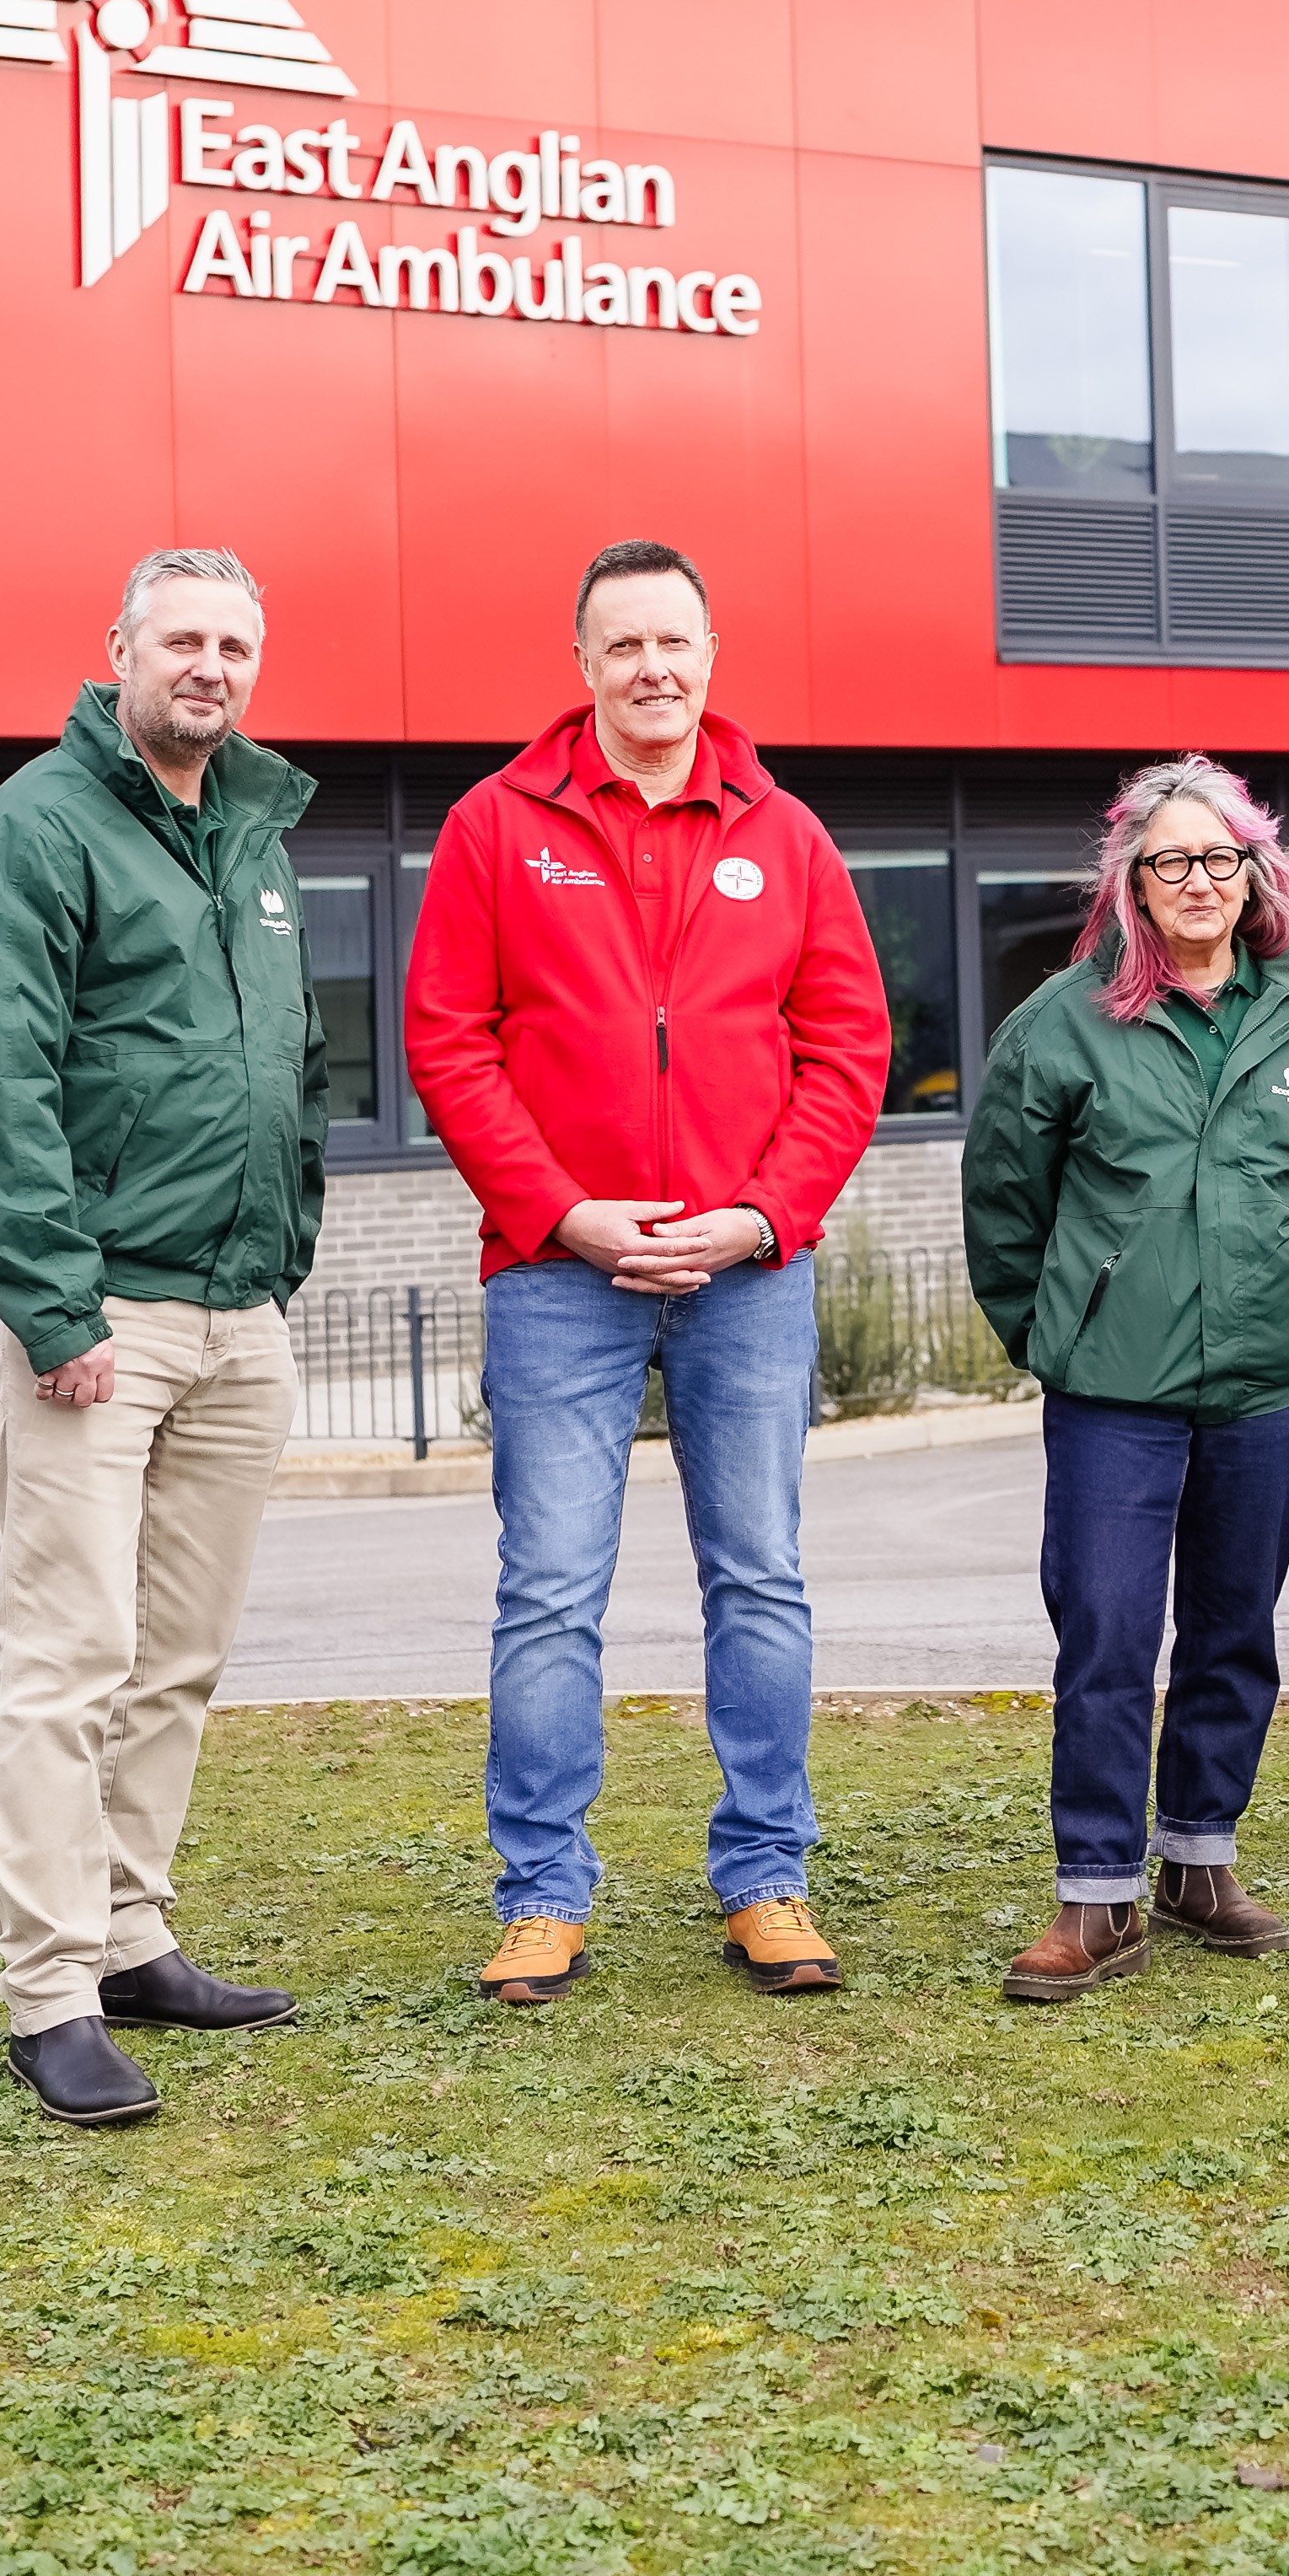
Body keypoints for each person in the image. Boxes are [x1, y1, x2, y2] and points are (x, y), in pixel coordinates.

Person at [404, 539, 894, 2005]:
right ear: (584, 665)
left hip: (748, 1273)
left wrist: (761, 1217)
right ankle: (542, 1894)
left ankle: (767, 1876)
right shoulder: (497, 826)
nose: (652, 668)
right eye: (623, 645)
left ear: (711, 654)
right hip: (559, 1275)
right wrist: (562, 1214)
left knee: (761, 1579)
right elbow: (449, 1042)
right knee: (551, 1591)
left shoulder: (786, 836)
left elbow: (848, 1050)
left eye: (674, 641)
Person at [0, 547, 328, 2128]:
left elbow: (292, 1060)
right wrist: (53, 1306)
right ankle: (50, 1993)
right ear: (120, 653)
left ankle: (130, 1934)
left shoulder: (254, 836)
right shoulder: (34, 828)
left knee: (177, 1657)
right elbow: (0, 1085)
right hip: (100, 1311)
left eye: (235, 643)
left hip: (239, 1312)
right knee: (68, 1659)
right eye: (182, 641)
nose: (210, 666)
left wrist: (282, 1256)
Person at [958, 756, 1289, 2003]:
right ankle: (1097, 1893)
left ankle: (1199, 1859)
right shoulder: (1063, 1023)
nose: (1199, 881)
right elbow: (1004, 1205)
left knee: (1235, 1625)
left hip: (1270, 1382)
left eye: (1219, 858)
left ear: (1256, 874)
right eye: (1171, 861)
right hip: (1114, 1389)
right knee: (1107, 1629)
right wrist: (1062, 1331)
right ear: (1131, 883)